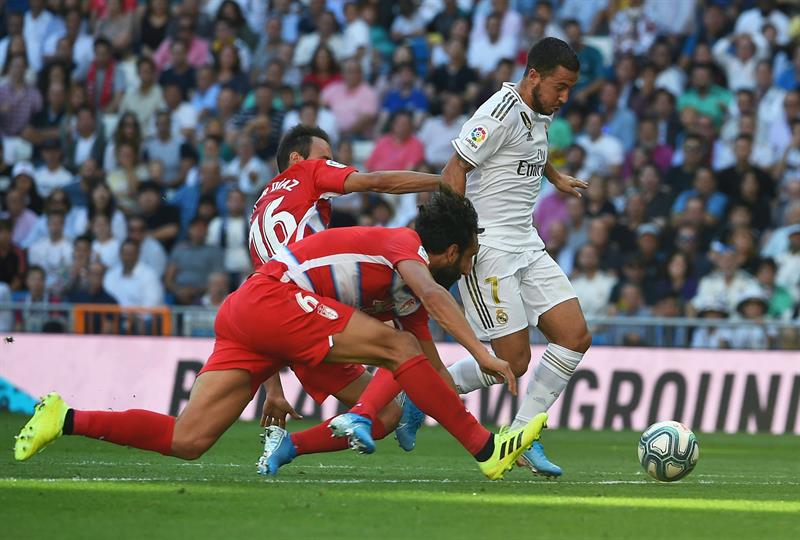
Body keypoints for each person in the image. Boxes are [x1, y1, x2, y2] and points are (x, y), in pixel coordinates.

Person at [15, 191, 546, 482]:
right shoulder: (402, 246)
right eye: (470, 257)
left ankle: (62, 417)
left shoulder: (407, 294)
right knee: (397, 353)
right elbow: (431, 303)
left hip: (251, 313)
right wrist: (486, 357)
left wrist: (441, 396)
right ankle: (485, 452)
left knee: (189, 440)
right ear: (450, 251)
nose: (469, 266)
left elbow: (425, 367)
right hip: (274, 298)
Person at [438, 37, 591, 477]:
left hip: (526, 242)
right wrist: (461, 244)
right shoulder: (498, 113)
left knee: (575, 336)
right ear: (534, 76)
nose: (564, 98)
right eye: (560, 87)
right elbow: (453, 172)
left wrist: (556, 177)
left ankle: (522, 438)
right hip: (488, 249)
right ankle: (423, 394)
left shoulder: (538, 113)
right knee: (513, 362)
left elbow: (530, 152)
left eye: (570, 89)